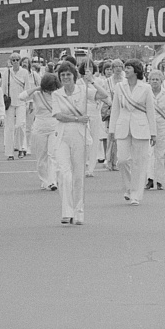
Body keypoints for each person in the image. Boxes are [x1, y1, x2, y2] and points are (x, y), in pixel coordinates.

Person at [51, 61, 109, 225]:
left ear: (74, 76)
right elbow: (58, 115)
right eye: (62, 75)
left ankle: (79, 212)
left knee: (78, 176)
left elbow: (104, 95)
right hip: (62, 135)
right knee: (64, 174)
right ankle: (66, 211)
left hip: (80, 136)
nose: (65, 77)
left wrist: (92, 80)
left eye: (68, 74)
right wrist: (77, 118)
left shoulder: (83, 90)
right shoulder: (57, 94)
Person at [108, 59, 154, 205]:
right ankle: (128, 188)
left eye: (128, 68)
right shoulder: (119, 87)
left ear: (136, 70)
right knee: (122, 160)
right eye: (125, 68)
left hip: (141, 127)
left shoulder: (145, 88)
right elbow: (115, 109)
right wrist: (111, 129)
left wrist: (153, 132)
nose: (125, 70)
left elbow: (150, 111)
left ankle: (136, 194)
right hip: (122, 126)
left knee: (139, 163)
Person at [19, 72, 61, 191]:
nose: (49, 91)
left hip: (54, 127)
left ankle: (52, 181)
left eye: (51, 89)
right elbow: (21, 97)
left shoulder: (57, 94)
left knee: (52, 154)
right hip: (39, 127)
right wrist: (37, 88)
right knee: (41, 156)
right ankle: (44, 180)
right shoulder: (37, 94)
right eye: (48, 89)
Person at [2, 53, 35, 161]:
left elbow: (28, 88)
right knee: (9, 128)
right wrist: (2, 103)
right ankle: (9, 153)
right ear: (11, 62)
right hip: (10, 102)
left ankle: (22, 148)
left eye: (17, 60)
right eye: (13, 60)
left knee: (21, 125)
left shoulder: (24, 72)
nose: (15, 62)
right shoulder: (6, 72)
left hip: (21, 101)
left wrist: (30, 102)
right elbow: (3, 88)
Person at [146, 69, 165, 190]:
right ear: (149, 81)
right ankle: (149, 179)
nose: (154, 82)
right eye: (152, 79)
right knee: (149, 153)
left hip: (162, 126)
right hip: (148, 126)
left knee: (160, 154)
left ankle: (160, 180)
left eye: (157, 79)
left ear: (161, 81)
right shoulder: (145, 93)